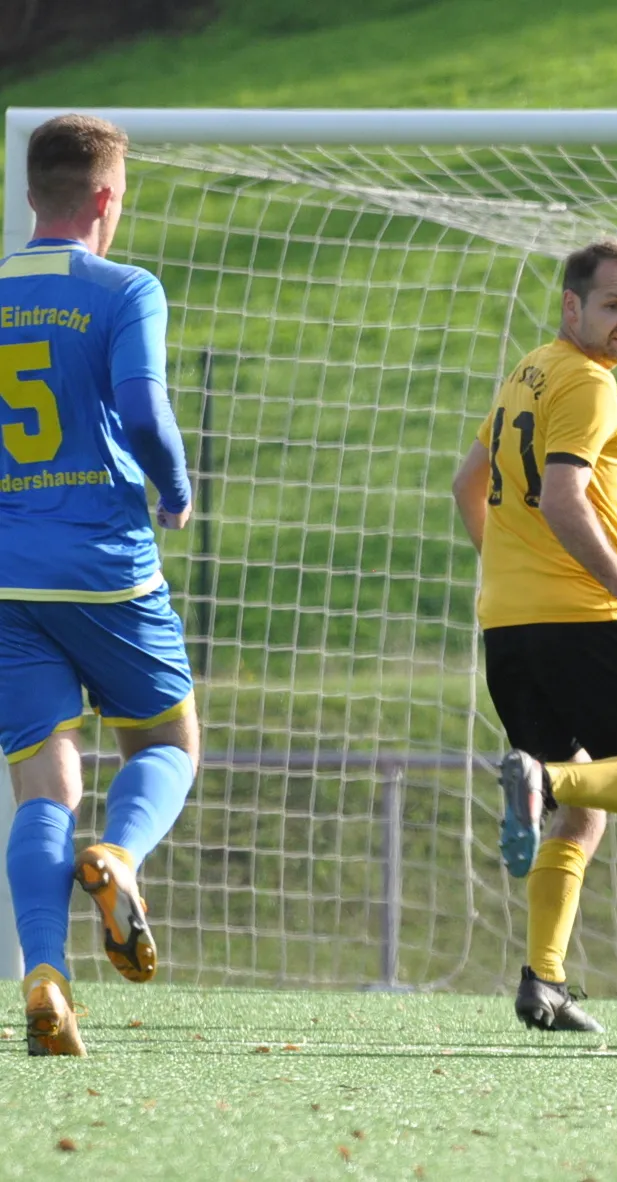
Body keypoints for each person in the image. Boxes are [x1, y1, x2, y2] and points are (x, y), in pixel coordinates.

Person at [452, 237, 617, 1033]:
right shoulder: (591, 386)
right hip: (581, 622)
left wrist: (508, 571)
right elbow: (563, 497)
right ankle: (544, 780)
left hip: (507, 626)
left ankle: (545, 981)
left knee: (584, 808)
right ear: (572, 306)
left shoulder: (528, 371)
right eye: (612, 304)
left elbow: (467, 482)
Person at [0, 114, 201, 1056]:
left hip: (8, 577)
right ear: (107, 199)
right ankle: (118, 854)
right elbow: (143, 406)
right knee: (167, 739)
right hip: (105, 567)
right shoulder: (125, 287)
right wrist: (176, 487)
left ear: (30, 193)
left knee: (42, 783)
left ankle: (45, 975)